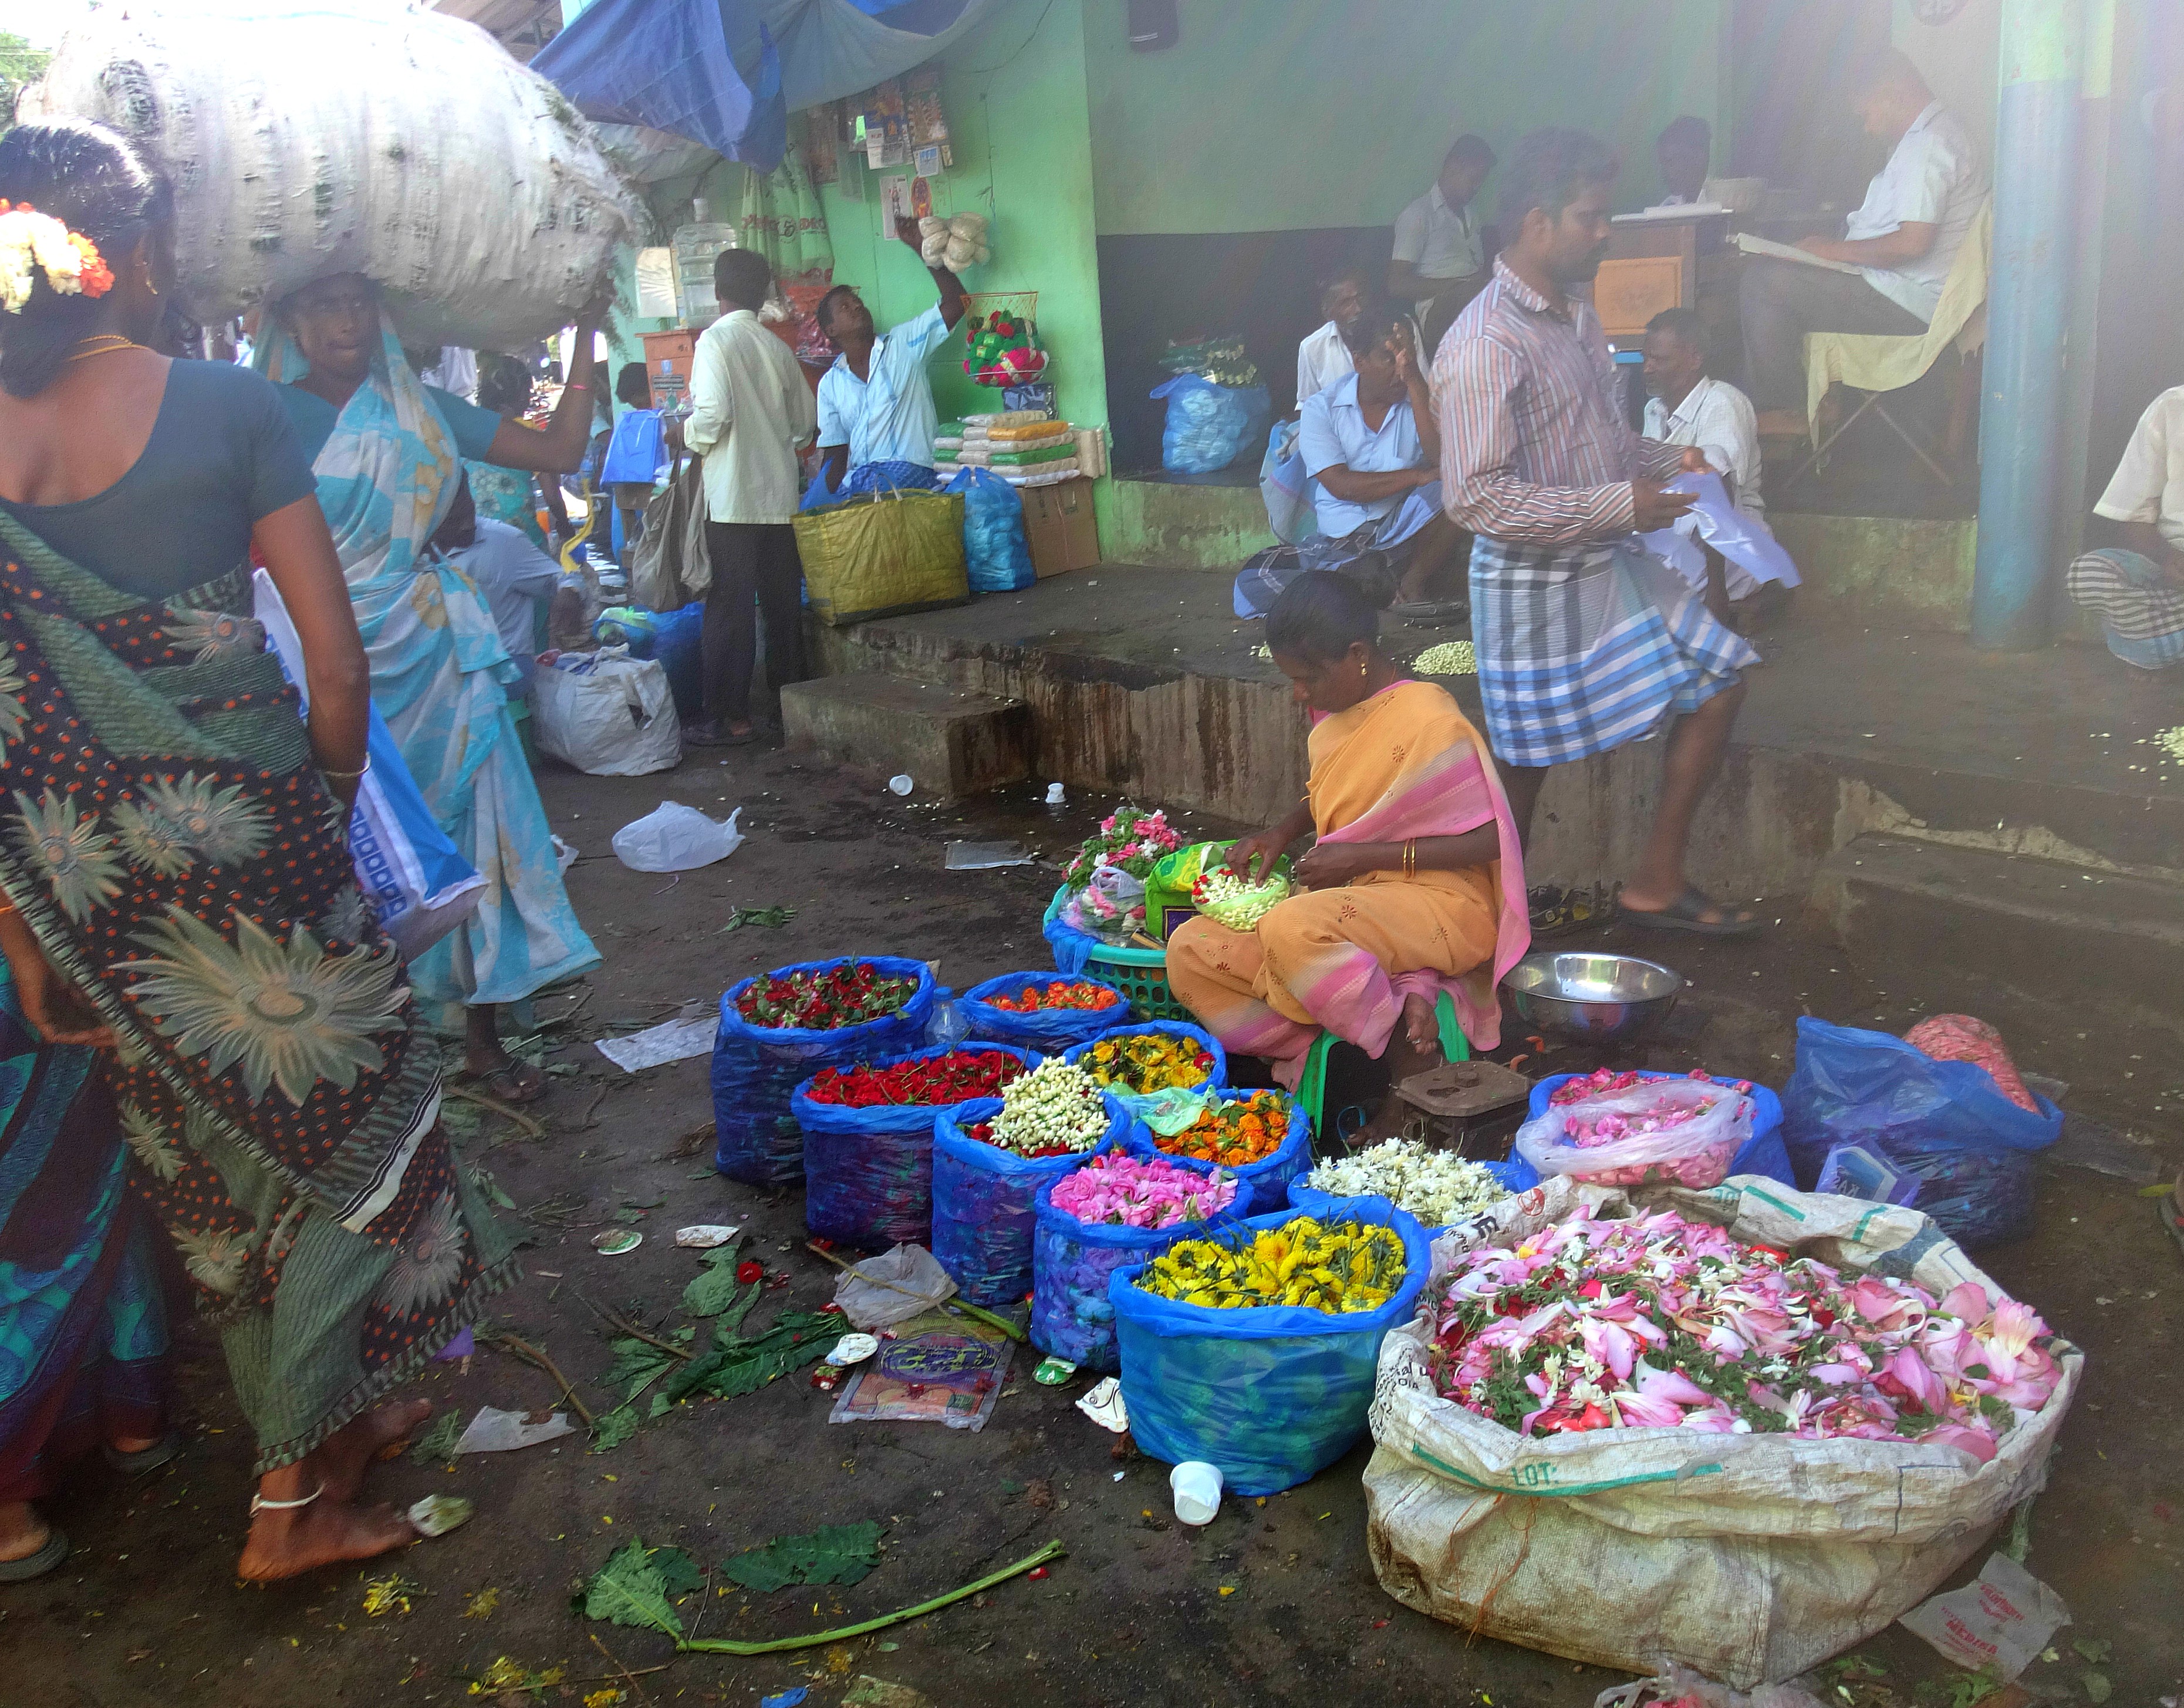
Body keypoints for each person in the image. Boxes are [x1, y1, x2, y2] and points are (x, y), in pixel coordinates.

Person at [0, 120, 514, 1581]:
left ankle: (336, 1429)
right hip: (261, 856)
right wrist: (326, 826)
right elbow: (334, 672)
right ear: (136, 254)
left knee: (215, 1174)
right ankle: (291, 1498)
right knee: (377, 1140)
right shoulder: (226, 405)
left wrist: (25, 925)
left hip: (93, 898)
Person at [257, 271, 603, 1102]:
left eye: (354, 301)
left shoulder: (420, 408)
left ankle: (478, 1040)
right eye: (322, 302)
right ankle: (370, 1036)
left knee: (467, 835)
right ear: (288, 324)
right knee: (346, 842)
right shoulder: (264, 416)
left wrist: (587, 336)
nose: (343, 316)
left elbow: (557, 451)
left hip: (434, 643)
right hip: (322, 650)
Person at [1439, 127, 1763, 936]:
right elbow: (1474, 499)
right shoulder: (1481, 343)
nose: (1605, 231)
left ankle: (1654, 880)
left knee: (1720, 679)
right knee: (1522, 761)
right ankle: (1478, 921)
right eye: (1591, 217)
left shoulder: (1578, 317)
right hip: (1529, 577)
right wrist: (1619, 506)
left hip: (1600, 554)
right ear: (1537, 221)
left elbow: (1605, 437)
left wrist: (1671, 459)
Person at [1166, 572, 1528, 1142]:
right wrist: (1281, 832)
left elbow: (1491, 839)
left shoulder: (1429, 718)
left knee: (1289, 928)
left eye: (1307, 678)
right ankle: (1332, 1041)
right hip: (1357, 902)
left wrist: (1362, 856)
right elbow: (1336, 793)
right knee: (1188, 949)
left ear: (1357, 655)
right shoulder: (1337, 715)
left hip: (1442, 904)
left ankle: (1406, 1063)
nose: (1298, 695)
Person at [1740, 49, 1986, 434]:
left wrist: (1830, 251)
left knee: (1762, 284)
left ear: (1894, 93)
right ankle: (1811, 401)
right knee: (1781, 269)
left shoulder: (1927, 145)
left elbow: (1912, 243)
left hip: (1902, 303)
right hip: (1900, 294)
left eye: (1866, 114)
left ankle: (1791, 411)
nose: (1867, 128)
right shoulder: (1935, 136)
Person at [680, 247, 818, 745]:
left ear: (716, 292)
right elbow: (805, 426)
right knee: (782, 608)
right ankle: (788, 710)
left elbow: (712, 416)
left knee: (729, 609)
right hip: (779, 498)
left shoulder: (715, 342)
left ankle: (728, 717)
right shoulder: (776, 347)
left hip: (734, 498)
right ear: (764, 293)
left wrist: (686, 434)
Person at [1640, 306, 1788, 626]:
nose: (1648, 369)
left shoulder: (1723, 402)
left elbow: (1716, 490)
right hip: (1681, 541)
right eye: (1646, 359)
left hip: (1732, 554)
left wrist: (1717, 593)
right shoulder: (1654, 409)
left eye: (1659, 360)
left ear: (1695, 359)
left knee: (1635, 584)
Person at [814, 215, 967, 496]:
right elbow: (836, 454)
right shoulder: (830, 385)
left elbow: (956, 303)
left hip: (915, 479)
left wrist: (924, 251)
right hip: (863, 485)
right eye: (845, 307)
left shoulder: (903, 344)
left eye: (858, 302)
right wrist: (821, 500)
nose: (857, 307)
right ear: (830, 330)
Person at [2065, 384, 2184, 669]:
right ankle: (2160, 640)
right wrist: (2169, 559)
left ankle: (2158, 646)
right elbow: (2135, 520)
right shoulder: (2171, 407)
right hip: (2170, 566)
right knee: (2087, 575)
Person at [428, 475, 561, 691]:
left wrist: (569, 591)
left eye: (469, 510)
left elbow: (561, 580)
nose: (468, 525)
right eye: (454, 518)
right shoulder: (409, 553)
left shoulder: (504, 541)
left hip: (504, 664)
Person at [1389, 134, 1496, 361]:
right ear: (1453, 167)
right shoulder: (1418, 215)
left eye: (1482, 182)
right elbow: (1397, 284)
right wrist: (1455, 287)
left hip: (1476, 300)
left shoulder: (1472, 215)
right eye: (1474, 179)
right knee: (1484, 292)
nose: (1478, 187)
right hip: (1437, 313)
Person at [466, 352, 551, 552]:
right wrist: (566, 529)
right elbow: (552, 495)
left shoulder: (467, 428)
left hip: (475, 539)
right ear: (522, 395)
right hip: (522, 540)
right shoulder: (529, 434)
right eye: (529, 391)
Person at [1295, 263, 1369, 411]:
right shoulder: (1312, 348)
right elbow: (1308, 406)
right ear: (1328, 313)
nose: (1358, 309)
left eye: (1359, 298)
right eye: (1346, 303)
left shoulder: (1392, 333)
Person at [1655, 115, 1712, 205]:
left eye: (1671, 162)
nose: (1665, 173)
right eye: (1663, 163)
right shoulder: (1667, 207)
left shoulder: (1724, 203)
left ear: (1699, 158)